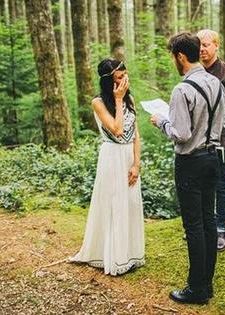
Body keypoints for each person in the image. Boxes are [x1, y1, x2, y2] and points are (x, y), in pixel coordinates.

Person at [150, 32, 225, 304]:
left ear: (180, 56)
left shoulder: (182, 89)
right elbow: (224, 127)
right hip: (213, 159)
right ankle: (207, 285)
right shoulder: (217, 83)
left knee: (194, 225)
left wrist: (161, 122)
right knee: (208, 222)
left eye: (173, 56)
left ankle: (196, 289)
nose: (173, 60)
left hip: (190, 162)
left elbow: (181, 133)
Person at [69, 58, 145, 276]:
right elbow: (117, 129)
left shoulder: (129, 98)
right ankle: (113, 256)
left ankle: (131, 254)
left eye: (125, 75)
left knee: (130, 204)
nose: (124, 80)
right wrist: (118, 100)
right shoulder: (98, 102)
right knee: (114, 204)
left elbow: (135, 134)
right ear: (108, 81)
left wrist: (136, 164)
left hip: (128, 157)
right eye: (119, 77)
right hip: (112, 157)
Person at [197, 29, 225, 252]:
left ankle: (221, 229)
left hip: (222, 141)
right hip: (199, 141)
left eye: (206, 45)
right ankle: (205, 229)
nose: (202, 49)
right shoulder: (195, 72)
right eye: (199, 46)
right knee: (203, 184)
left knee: (220, 183)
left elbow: (224, 113)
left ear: (216, 46)